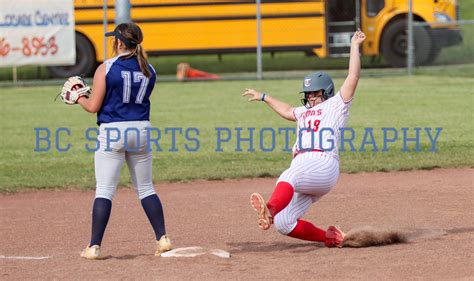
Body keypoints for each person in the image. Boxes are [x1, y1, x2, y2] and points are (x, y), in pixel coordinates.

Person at [242, 30, 366, 247]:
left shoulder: (336, 105)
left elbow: (353, 77)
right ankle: (331, 238)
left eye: (314, 93)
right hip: (305, 168)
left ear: (326, 92)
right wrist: (264, 97)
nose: (309, 97)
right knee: (284, 223)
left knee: (288, 176)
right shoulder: (302, 112)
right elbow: (288, 109)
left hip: (323, 164)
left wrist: (354, 46)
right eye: (307, 94)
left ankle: (270, 209)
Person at [76, 22, 172, 259]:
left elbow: (93, 106)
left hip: (113, 131)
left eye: (114, 39)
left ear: (118, 42)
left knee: (105, 190)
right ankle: (162, 238)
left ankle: (94, 246)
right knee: (146, 188)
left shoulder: (106, 68)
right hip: (141, 129)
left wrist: (78, 97)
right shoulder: (149, 69)